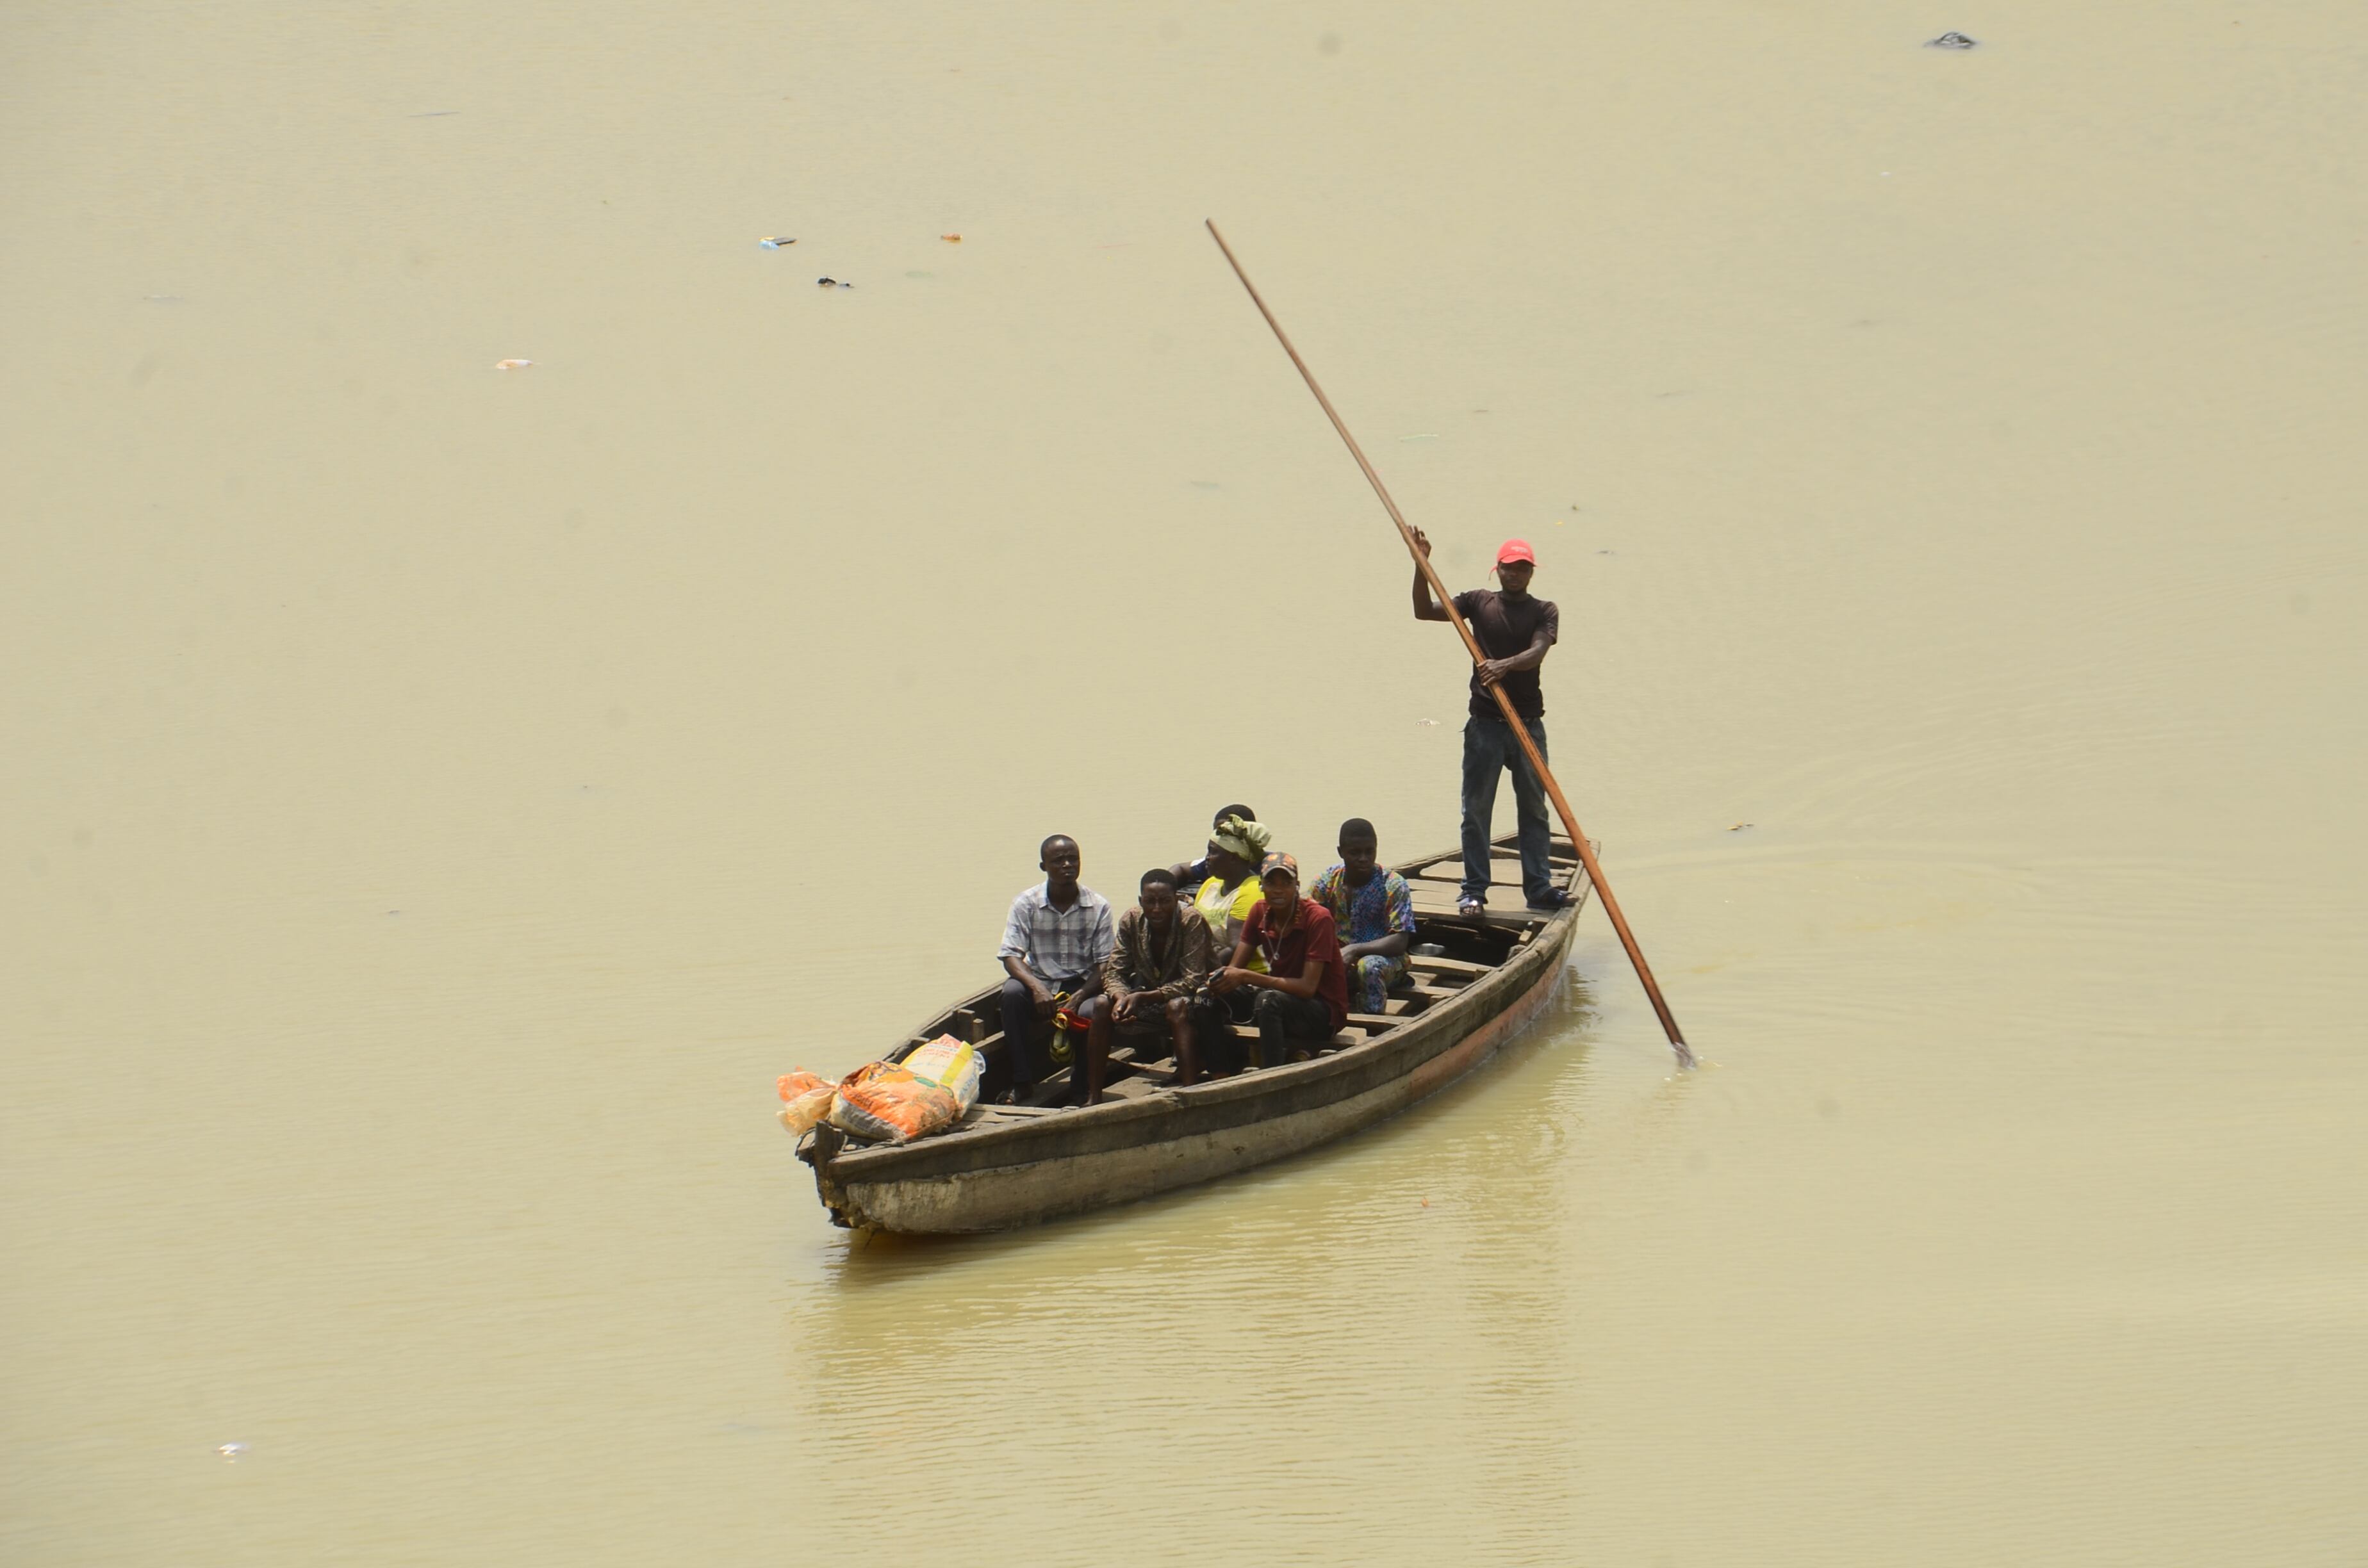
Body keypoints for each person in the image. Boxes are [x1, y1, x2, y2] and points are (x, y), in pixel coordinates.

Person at [1410, 528, 1575, 915]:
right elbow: (1422, 611)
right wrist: (1421, 564)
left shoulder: (1544, 610)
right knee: (1476, 810)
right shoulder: (1477, 602)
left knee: (1534, 809)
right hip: (1485, 725)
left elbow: (1537, 652)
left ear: (1531, 573)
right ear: (1496, 570)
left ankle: (1538, 888)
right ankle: (1473, 892)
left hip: (1528, 725)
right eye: (1508, 567)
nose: (1515, 573)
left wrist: (1504, 665)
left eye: (1522, 568)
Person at [1076, 869, 1224, 1102]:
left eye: (1165, 901)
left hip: (1198, 1001)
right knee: (1102, 1003)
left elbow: (1193, 979)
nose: (1157, 909)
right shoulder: (1131, 920)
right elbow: (1115, 970)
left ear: (1176, 900)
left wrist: (1143, 998)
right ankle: (1093, 1095)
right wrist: (1121, 998)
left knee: (1176, 1006)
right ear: (1140, 901)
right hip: (1152, 997)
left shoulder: (1190, 920)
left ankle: (1189, 1093)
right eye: (1150, 902)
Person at [996, 835, 1114, 1097]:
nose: (1067, 865)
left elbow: (1105, 963)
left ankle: (1082, 1086)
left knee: (1094, 1010)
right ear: (1044, 867)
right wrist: (1037, 988)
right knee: (1012, 995)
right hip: (1041, 980)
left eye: (1073, 859)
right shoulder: (1025, 903)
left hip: (1082, 983)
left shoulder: (1098, 906)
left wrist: (1079, 996)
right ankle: (1022, 1081)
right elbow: (1010, 955)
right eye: (1058, 861)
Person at [1208, 853, 1349, 1068]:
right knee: (1207, 995)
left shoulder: (1318, 919)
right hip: (1282, 999)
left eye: (1287, 883)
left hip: (1322, 1012)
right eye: (1271, 883)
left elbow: (1307, 988)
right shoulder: (1259, 911)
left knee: (1267, 1001)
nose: (1279, 889)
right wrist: (1221, 980)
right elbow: (1234, 970)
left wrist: (1245, 976)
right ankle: (1218, 1070)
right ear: (1262, 886)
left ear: (1297, 886)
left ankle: (1271, 1074)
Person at [1310, 818, 1417, 1015]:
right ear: (1341, 852)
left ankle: (1373, 1025)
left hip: (1386, 960)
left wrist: (1355, 949)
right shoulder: (1325, 884)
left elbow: (1401, 940)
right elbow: (1309, 928)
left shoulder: (1393, 885)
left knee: (1368, 967)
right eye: (1355, 853)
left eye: (1370, 851)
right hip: (1338, 958)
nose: (1363, 858)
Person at [1190, 813, 1271, 975]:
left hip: (1248, 978)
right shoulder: (1210, 885)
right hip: (1210, 967)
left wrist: (1196, 974)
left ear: (1234, 857)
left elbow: (1235, 949)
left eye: (1213, 852)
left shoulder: (1253, 890)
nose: (1207, 858)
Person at [1174, 804, 1256, 886]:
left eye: (1225, 834)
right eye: (1217, 833)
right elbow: (1180, 869)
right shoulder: (1216, 863)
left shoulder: (1267, 866)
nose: (1218, 838)